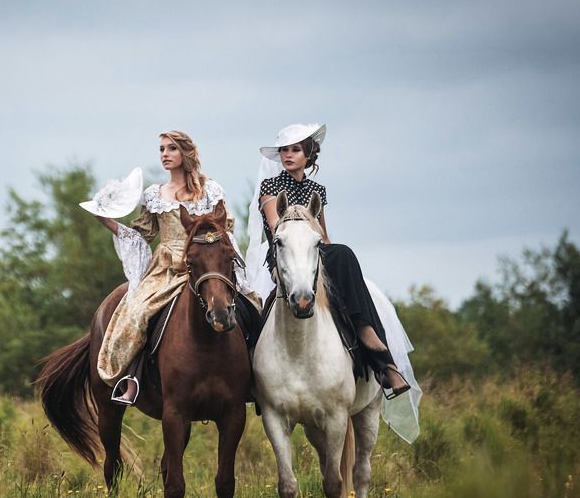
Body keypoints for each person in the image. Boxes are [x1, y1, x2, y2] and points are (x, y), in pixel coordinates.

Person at [247, 123, 412, 399]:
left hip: (314, 254)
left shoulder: (318, 190)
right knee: (253, 314)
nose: (288, 155)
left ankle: (376, 351)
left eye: (295, 150)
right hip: (284, 254)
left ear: (308, 154)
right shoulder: (271, 187)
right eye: (284, 150)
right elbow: (279, 229)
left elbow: (323, 235)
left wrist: (319, 248)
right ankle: (251, 371)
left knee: (342, 253)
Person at [90, 130, 254, 404]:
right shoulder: (155, 195)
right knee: (137, 313)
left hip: (207, 263)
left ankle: (254, 376)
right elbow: (141, 234)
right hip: (166, 269)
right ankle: (131, 379)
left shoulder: (210, 190)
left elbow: (225, 227)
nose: (164, 154)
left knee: (252, 306)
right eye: (162, 149)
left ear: (185, 153)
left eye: (171, 149)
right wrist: (105, 219)